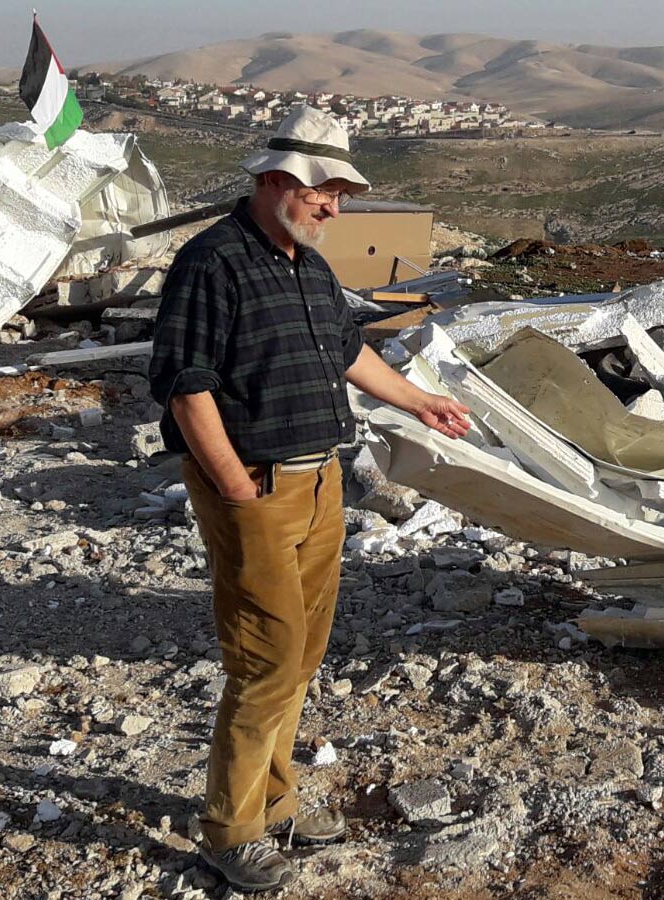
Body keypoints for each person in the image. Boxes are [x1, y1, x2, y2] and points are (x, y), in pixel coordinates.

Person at [148, 105, 470, 892]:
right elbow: (185, 385)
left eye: (341, 194)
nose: (334, 205)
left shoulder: (307, 266)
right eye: (322, 190)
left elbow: (348, 349)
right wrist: (232, 484)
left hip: (320, 479)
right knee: (266, 658)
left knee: (304, 653)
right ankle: (231, 828)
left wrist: (417, 402)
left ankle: (277, 796)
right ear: (271, 181)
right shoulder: (211, 263)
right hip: (254, 487)